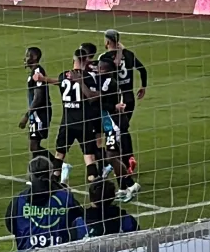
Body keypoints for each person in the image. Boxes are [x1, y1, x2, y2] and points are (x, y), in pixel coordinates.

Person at [40, 48, 100, 186]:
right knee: (89, 158)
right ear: (86, 61)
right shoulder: (88, 77)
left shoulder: (63, 75)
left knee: (59, 155)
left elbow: (59, 82)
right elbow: (92, 98)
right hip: (84, 122)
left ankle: (53, 186)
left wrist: (44, 79)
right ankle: (96, 188)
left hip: (67, 122)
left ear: (73, 60)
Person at [5, 155, 86, 251]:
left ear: (30, 175)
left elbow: (11, 225)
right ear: (50, 173)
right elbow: (81, 217)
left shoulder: (19, 200)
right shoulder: (65, 197)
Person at [99, 28, 147, 174]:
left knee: (114, 130)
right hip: (129, 98)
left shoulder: (104, 57)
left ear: (107, 41)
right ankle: (128, 158)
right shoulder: (129, 54)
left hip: (116, 99)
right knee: (123, 128)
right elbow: (142, 69)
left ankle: (120, 162)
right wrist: (143, 86)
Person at [97, 58, 141, 202]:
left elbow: (100, 101)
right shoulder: (106, 81)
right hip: (110, 124)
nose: (97, 70)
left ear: (106, 70)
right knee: (116, 156)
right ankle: (122, 188)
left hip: (114, 125)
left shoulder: (109, 82)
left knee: (111, 157)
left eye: (100, 68)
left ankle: (131, 184)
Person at [18, 46, 53, 159]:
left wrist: (26, 116)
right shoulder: (34, 72)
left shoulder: (38, 72)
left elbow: (39, 98)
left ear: (35, 57)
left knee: (34, 146)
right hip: (35, 114)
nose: (25, 58)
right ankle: (51, 166)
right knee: (34, 146)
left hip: (40, 114)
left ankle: (59, 165)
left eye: (27, 56)